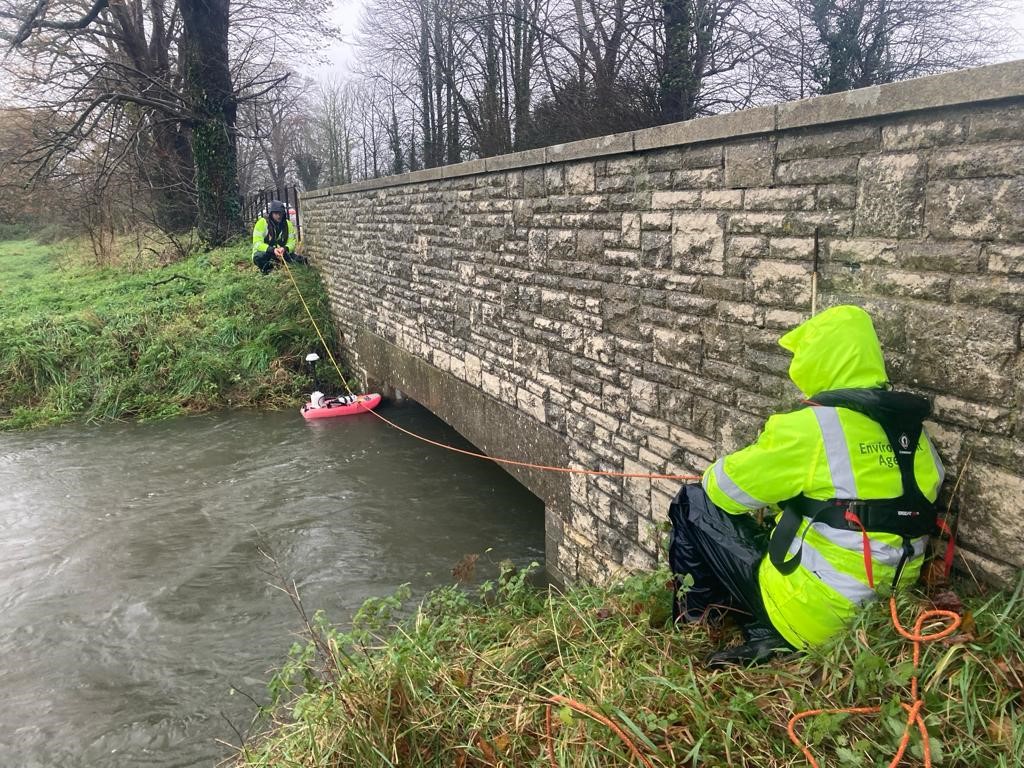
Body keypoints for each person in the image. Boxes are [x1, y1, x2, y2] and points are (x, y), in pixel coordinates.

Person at [668, 305, 945, 667]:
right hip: (887, 602)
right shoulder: (911, 431)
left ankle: (698, 622)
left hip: (816, 612)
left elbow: (722, 490)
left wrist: (765, 457)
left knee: (692, 502)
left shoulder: (812, 428)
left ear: (818, 362)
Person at [252, 200, 303, 274]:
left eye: (280, 213)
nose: (278, 216)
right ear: (271, 213)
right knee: (259, 257)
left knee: (299, 260)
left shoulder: (288, 224)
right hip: (266, 253)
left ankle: (279, 266)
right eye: (276, 213)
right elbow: (257, 243)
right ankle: (268, 271)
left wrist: (285, 248)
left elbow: (292, 242)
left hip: (281, 253)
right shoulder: (262, 223)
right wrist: (272, 250)